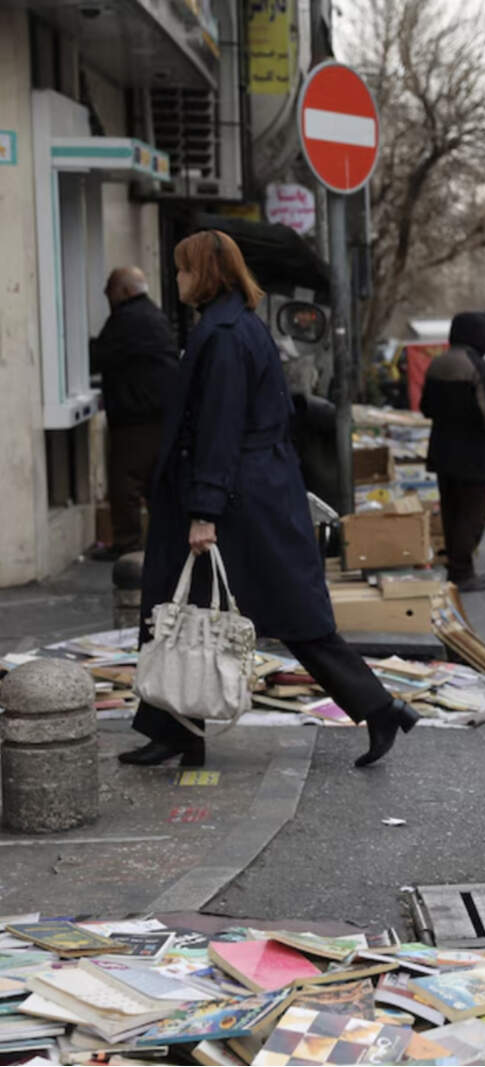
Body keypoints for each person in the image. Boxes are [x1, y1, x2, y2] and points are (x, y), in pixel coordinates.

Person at [119, 230, 418, 770]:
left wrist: (203, 511)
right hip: (247, 492)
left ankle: (378, 707)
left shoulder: (226, 334)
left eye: (184, 271)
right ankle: (173, 728)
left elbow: (219, 427)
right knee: (183, 608)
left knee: (277, 612)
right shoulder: (229, 326)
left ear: (206, 275)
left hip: (237, 501)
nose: (179, 280)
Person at [90, 267, 179, 560]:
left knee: (126, 481)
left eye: (110, 289)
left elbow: (98, 356)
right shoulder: (154, 315)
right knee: (156, 482)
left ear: (125, 291)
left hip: (135, 415)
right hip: (159, 412)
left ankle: (128, 546)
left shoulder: (127, 318)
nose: (105, 294)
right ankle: (164, 543)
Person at [421, 310, 485, 592]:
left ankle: (457, 568)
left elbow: (425, 408)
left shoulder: (436, 364)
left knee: (451, 510)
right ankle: (463, 572)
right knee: (472, 515)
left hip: (442, 450)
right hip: (474, 453)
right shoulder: (479, 367)